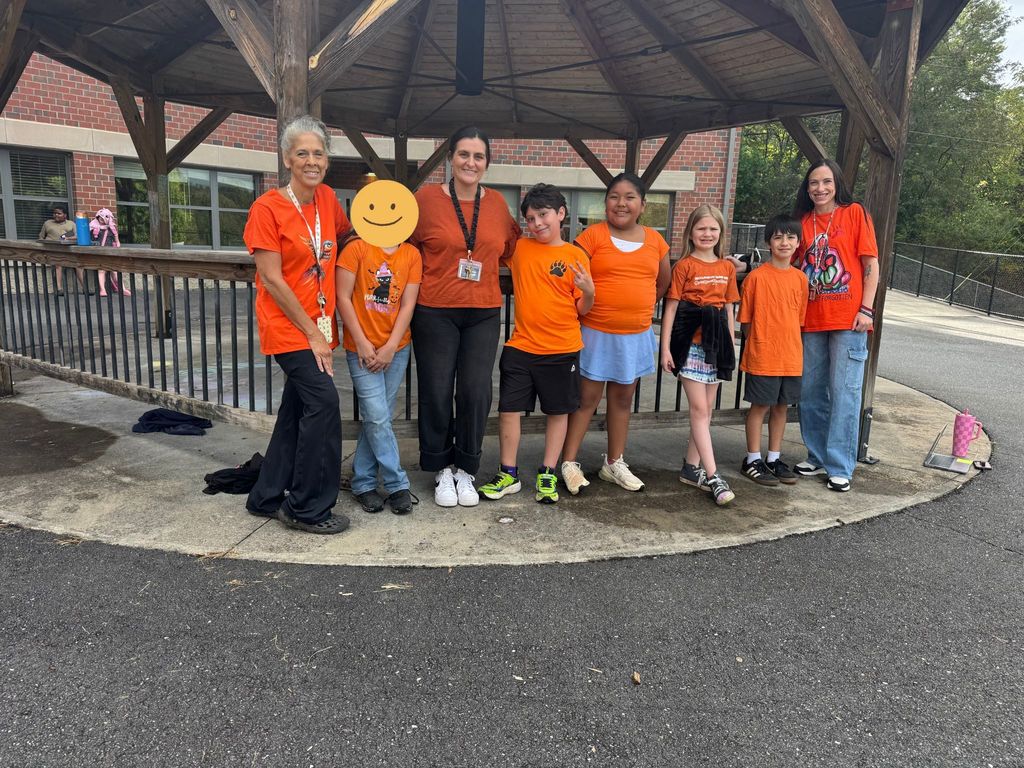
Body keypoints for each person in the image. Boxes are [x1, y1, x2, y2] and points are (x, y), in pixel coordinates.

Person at [242, 114, 352, 534]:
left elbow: (344, 237)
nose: (312, 160)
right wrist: (311, 333)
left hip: (319, 322)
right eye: (302, 152)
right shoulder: (267, 208)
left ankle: (266, 495)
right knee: (323, 404)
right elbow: (271, 277)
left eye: (319, 153)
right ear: (288, 158)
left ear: (327, 160)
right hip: (289, 328)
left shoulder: (326, 199)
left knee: (296, 410)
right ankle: (306, 507)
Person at [409, 126, 520, 508]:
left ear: (487, 163)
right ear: (450, 159)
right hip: (434, 310)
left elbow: (513, 249)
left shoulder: (498, 205)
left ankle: (466, 469)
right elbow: (400, 246)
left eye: (478, 156)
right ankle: (441, 469)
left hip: (483, 311)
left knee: (475, 390)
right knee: (437, 390)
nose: (470, 162)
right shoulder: (424, 200)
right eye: (464, 154)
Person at [479, 184, 594, 504]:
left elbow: (582, 309)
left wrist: (590, 291)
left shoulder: (575, 255)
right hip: (521, 346)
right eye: (530, 218)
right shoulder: (520, 248)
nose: (537, 223)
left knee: (558, 412)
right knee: (509, 410)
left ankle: (547, 471)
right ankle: (508, 473)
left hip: (562, 347)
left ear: (561, 214)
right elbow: (495, 238)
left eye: (543, 215)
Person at [560, 172, 671, 494]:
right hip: (595, 332)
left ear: (642, 205)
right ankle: (569, 462)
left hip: (635, 335)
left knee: (622, 400)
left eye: (629, 197)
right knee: (587, 400)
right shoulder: (591, 236)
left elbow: (663, 283)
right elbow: (572, 280)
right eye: (614, 196)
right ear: (605, 202)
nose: (621, 203)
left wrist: (638, 304)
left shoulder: (655, 241)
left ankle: (614, 462)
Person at [792, 158, 879, 492]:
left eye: (826, 182)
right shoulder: (803, 221)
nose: (820, 188)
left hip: (849, 320)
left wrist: (867, 310)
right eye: (813, 183)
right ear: (807, 188)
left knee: (844, 391)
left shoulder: (854, 213)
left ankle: (840, 464)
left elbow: (870, 264)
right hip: (812, 318)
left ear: (837, 184)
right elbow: (790, 259)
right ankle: (816, 455)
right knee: (811, 391)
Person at [335, 226, 422, 517]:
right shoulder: (357, 249)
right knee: (377, 415)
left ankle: (363, 482)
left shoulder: (411, 254)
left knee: (378, 415)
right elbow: (342, 296)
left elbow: (408, 303)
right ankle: (397, 483)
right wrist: (361, 342)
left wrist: (391, 346)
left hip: (396, 348)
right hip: (361, 348)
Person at [660, 204, 739, 506]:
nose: (707, 234)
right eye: (701, 228)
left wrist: (730, 347)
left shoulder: (727, 268)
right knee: (699, 411)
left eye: (713, 229)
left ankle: (691, 468)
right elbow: (671, 308)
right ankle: (714, 474)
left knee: (706, 409)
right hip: (690, 345)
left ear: (720, 233)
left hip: (716, 346)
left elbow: (729, 308)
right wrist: (665, 348)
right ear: (691, 233)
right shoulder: (684, 266)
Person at [737, 213, 808, 487]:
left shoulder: (801, 280)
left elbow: (799, 320)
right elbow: (745, 321)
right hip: (763, 355)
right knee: (760, 407)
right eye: (778, 237)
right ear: (769, 243)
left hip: (791, 356)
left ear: (798, 243)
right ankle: (752, 459)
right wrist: (759, 347)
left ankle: (774, 458)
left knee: (781, 408)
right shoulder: (756, 278)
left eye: (790, 237)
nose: (784, 242)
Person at [38, 205, 84, 295]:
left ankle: (84, 288)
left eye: (59, 213)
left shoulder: (71, 224)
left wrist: (68, 238)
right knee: (58, 265)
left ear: (65, 215)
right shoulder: (47, 223)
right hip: (54, 250)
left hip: (68, 250)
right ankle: (59, 289)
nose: (56, 215)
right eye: (54, 213)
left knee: (78, 265)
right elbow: (41, 237)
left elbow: (78, 236)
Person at [90, 208, 131, 297]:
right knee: (101, 271)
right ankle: (102, 289)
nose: (101, 220)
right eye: (99, 218)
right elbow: (90, 239)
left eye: (103, 218)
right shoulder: (94, 228)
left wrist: (117, 245)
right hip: (99, 252)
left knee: (114, 271)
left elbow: (116, 239)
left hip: (110, 252)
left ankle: (122, 288)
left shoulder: (111, 228)